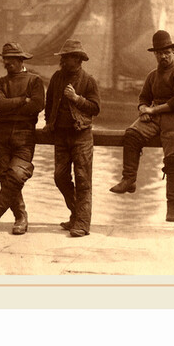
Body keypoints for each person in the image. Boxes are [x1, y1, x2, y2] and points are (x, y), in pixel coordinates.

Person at [109, 29, 174, 223]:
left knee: (173, 160)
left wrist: (152, 111)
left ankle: (173, 207)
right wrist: (143, 109)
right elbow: (143, 97)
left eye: (167, 52)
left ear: (173, 52)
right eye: (159, 53)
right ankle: (129, 180)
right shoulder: (152, 76)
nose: (163, 56)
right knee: (131, 134)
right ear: (155, 54)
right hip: (155, 116)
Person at [0, 42, 45, 236]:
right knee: (4, 175)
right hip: (0, 134)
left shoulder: (34, 81)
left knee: (17, 175)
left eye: (11, 59)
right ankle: (21, 217)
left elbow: (36, 105)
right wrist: (21, 101)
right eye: (5, 59)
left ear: (20, 60)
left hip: (24, 134)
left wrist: (15, 106)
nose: (7, 62)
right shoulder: (0, 82)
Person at [44, 39, 101, 238]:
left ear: (78, 59)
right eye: (63, 57)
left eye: (68, 57)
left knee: (83, 179)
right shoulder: (57, 78)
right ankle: (77, 214)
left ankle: (82, 224)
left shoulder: (88, 80)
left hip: (81, 136)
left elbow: (95, 108)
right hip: (61, 134)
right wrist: (49, 122)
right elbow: (49, 103)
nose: (64, 61)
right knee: (60, 177)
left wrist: (77, 99)